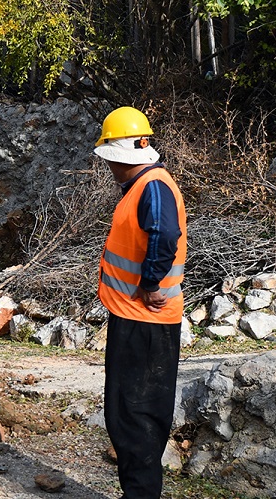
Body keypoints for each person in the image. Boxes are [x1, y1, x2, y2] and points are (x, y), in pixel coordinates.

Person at [92, 106, 187, 499]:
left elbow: (164, 236)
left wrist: (150, 283)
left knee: (137, 416)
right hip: (134, 317)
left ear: (122, 153)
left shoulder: (152, 186)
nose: (109, 167)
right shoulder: (146, 186)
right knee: (127, 414)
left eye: (110, 158)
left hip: (145, 318)